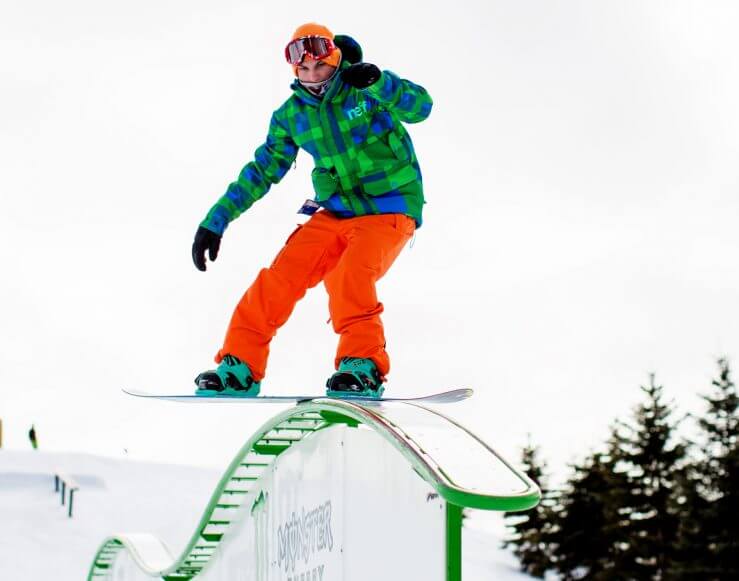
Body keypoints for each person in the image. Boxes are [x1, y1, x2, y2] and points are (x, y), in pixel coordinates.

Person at [192, 23, 432, 398]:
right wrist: (216, 221)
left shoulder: (364, 89)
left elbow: (421, 107)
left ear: (335, 59)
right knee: (281, 275)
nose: (313, 76)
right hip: (337, 211)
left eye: (320, 66)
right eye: (303, 69)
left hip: (390, 206)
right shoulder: (292, 116)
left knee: (350, 274)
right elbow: (261, 172)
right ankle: (240, 367)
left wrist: (380, 82)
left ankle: (362, 366)